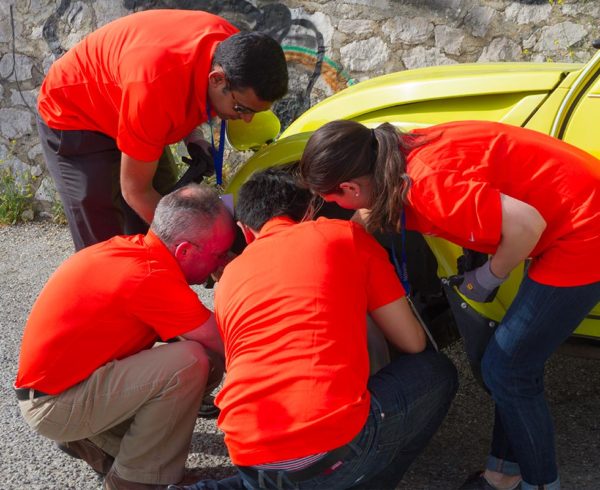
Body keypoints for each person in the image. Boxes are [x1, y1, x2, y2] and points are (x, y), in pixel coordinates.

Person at [298, 119, 600, 490]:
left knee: (508, 370)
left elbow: (525, 225)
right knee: (512, 363)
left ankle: (540, 484)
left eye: (334, 201)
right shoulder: (394, 152)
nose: (337, 207)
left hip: (584, 229)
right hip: (574, 200)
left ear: (350, 186)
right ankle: (503, 472)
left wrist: (489, 276)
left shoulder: (426, 185)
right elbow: (368, 212)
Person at [172, 167, 458, 490]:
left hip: (247, 451)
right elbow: (413, 342)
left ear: (245, 230)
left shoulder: (228, 281)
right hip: (332, 452)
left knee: (277, 476)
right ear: (309, 210)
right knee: (438, 372)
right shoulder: (344, 236)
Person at [14, 184, 236, 489]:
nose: (222, 263)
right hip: (54, 406)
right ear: (185, 250)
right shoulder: (149, 276)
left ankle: (98, 441)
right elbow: (228, 344)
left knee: (194, 354)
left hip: (61, 388)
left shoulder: (135, 250)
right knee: (191, 361)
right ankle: (135, 480)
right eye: (221, 254)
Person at [37, 8, 288, 251]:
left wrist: (194, 136)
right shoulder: (155, 89)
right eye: (241, 108)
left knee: (168, 204)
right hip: (75, 116)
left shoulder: (233, 49)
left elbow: (192, 88)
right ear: (217, 78)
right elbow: (135, 190)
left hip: (132, 104)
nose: (245, 120)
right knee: (106, 241)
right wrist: (204, 250)